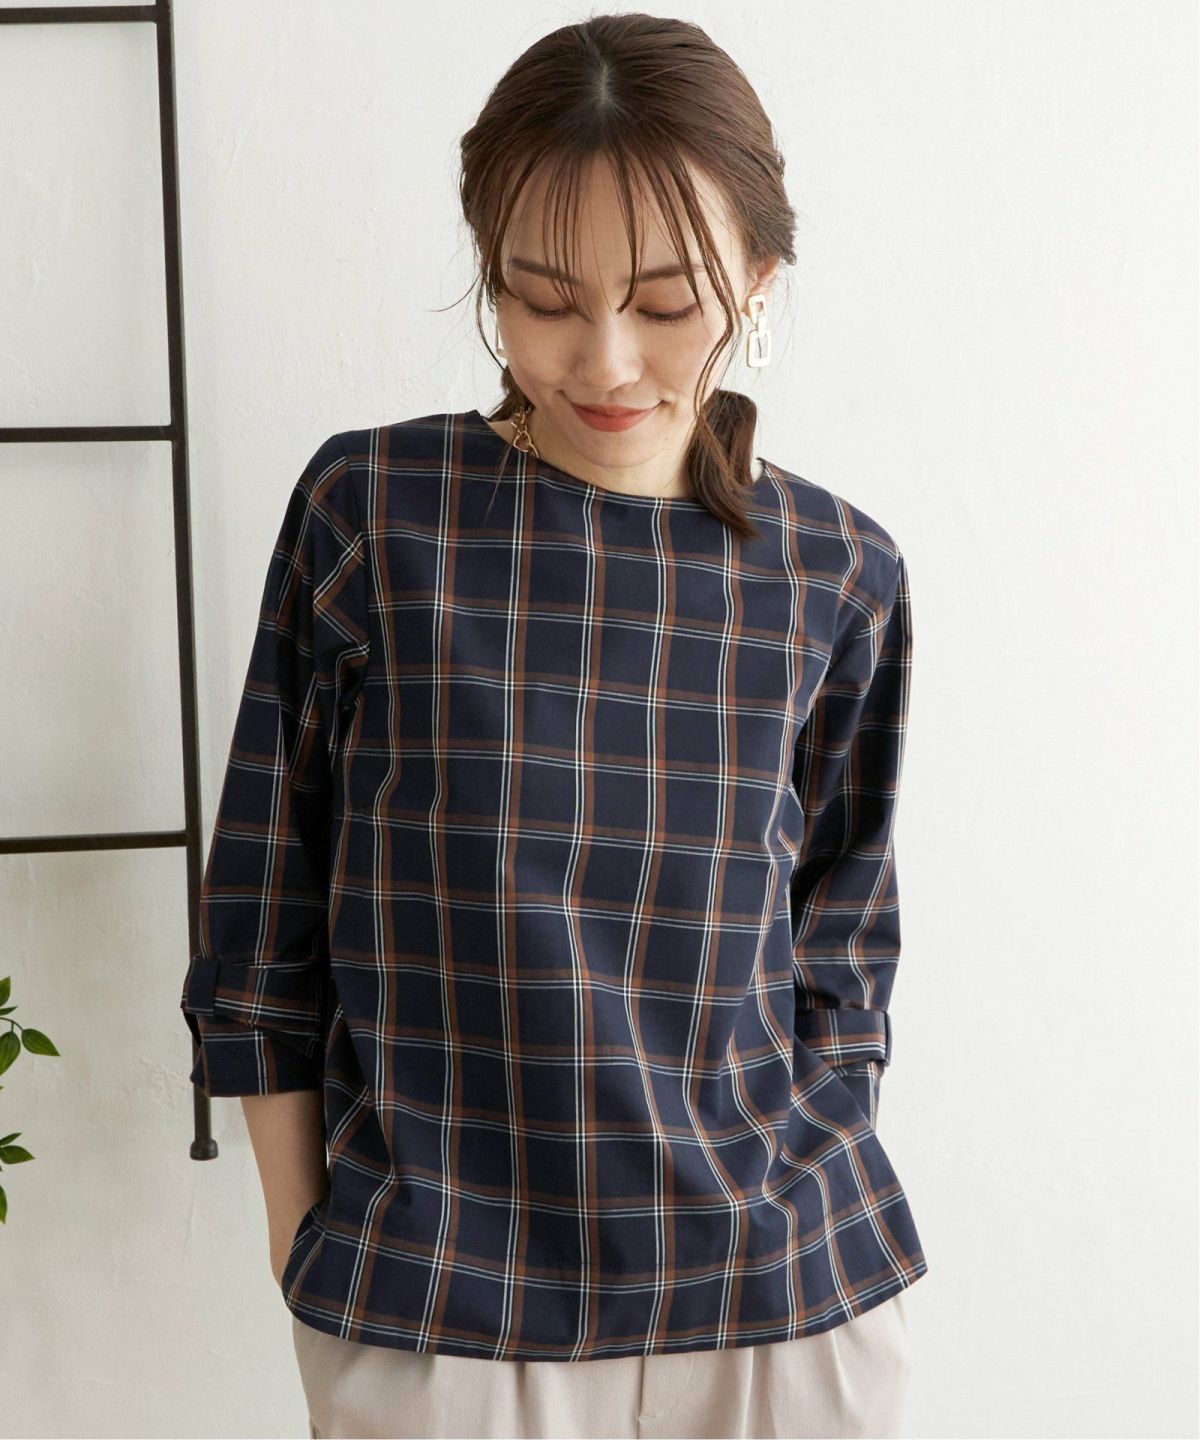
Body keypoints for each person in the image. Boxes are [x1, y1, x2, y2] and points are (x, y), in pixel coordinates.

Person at [181, 13, 928, 1438]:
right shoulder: (373, 517)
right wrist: (301, 1247)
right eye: (541, 298)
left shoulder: (839, 571)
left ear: (759, 279)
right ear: (489, 274)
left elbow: (843, 951)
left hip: (783, 1310)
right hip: (439, 1316)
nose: (606, 360)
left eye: (667, 303)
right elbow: (261, 926)